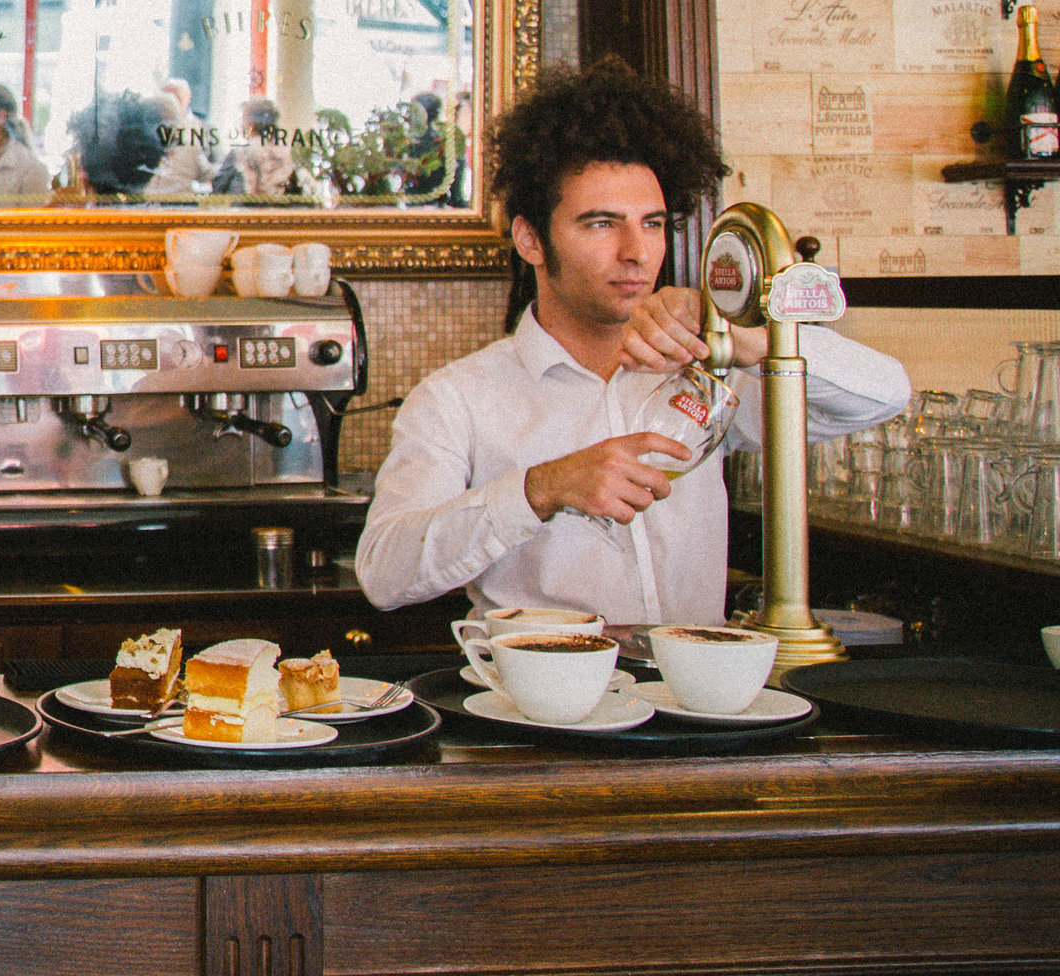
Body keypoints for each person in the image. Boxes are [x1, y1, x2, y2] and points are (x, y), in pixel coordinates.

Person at [355, 59, 907, 628]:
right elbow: (384, 574)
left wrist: (740, 336)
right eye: (601, 224)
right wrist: (539, 489)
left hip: (695, 678)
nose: (637, 252)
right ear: (530, 239)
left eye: (652, 224)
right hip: (543, 685)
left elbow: (886, 395)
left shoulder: (707, 370)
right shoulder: (457, 398)